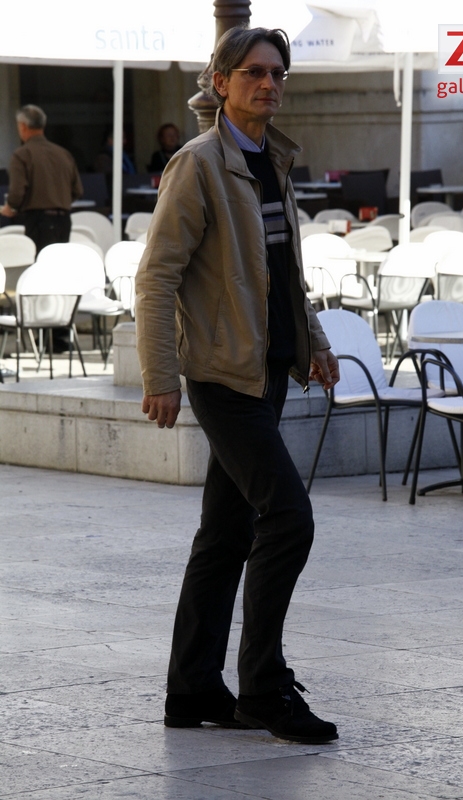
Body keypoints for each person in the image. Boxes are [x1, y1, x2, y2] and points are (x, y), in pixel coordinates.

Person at [135, 26, 340, 745]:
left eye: (278, 74)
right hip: (224, 377)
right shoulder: (198, 164)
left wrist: (314, 341)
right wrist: (161, 375)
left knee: (225, 534)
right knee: (289, 518)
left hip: (269, 371)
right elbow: (156, 278)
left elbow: (283, 273)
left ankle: (192, 688)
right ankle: (263, 687)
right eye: (253, 72)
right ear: (220, 82)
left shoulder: (272, 159)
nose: (269, 84)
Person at [0, 104, 83, 253]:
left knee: (40, 263)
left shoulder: (22, 154)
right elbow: (77, 190)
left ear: (23, 126)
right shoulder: (63, 154)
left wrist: (11, 207)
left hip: (38, 221)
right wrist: (58, 201)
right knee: (59, 262)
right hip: (64, 220)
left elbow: (17, 192)